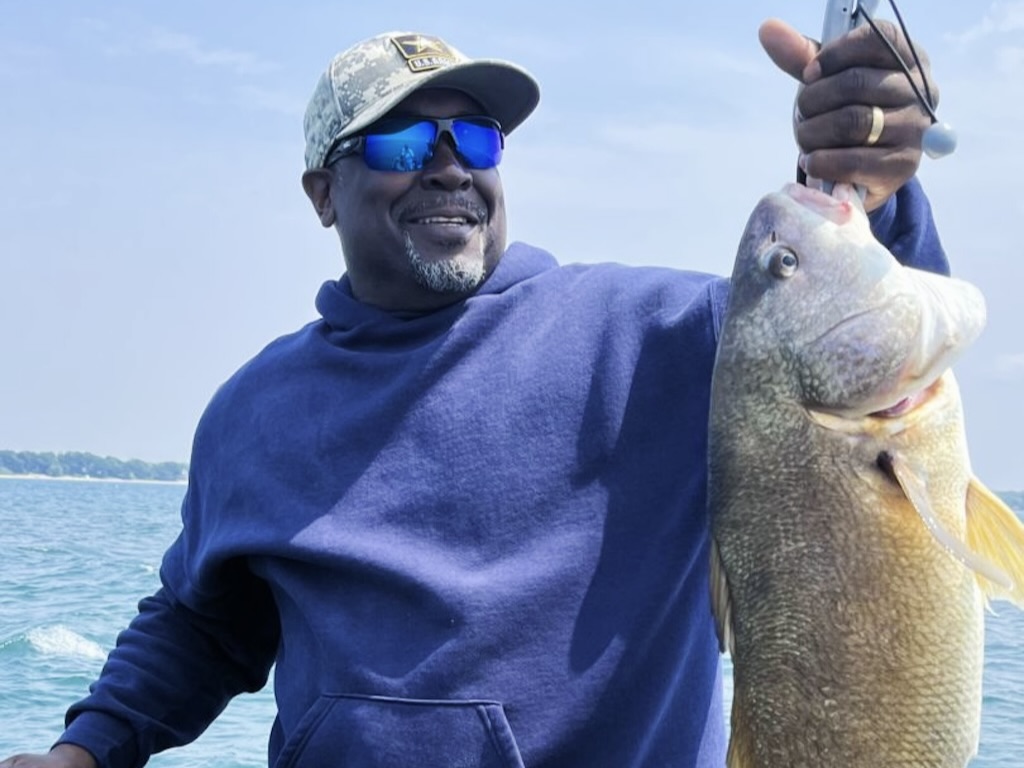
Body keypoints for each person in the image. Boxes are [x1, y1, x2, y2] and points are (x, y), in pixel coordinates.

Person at [2, 18, 950, 768]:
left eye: (476, 136)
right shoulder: (253, 412)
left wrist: (870, 179)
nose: (451, 164)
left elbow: (860, 343)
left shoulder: (663, 336)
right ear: (321, 193)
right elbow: (205, 621)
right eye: (405, 141)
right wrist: (89, 750)